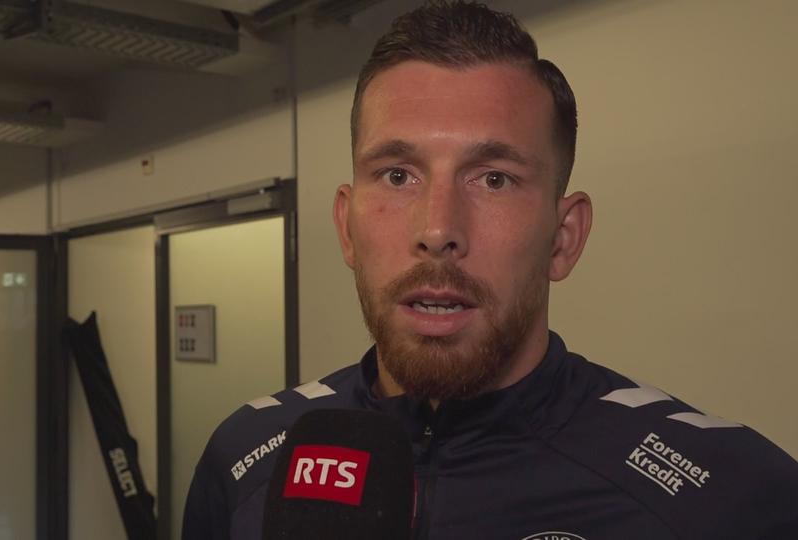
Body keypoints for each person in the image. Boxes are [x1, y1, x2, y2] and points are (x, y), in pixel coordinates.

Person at [182, 2, 798, 538]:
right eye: (398, 175)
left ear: (564, 238)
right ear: (347, 227)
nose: (438, 230)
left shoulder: (731, 496)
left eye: (494, 179)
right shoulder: (246, 457)